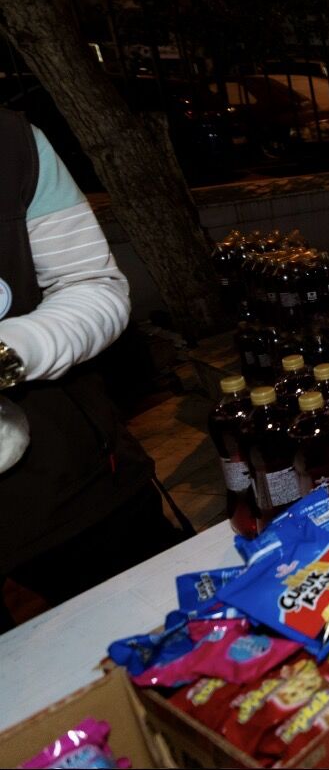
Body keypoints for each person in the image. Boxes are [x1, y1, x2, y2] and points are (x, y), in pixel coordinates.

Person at [0, 110, 182, 631]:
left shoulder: (14, 144)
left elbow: (93, 286)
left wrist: (12, 351)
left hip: (65, 481)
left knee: (166, 639)